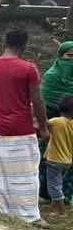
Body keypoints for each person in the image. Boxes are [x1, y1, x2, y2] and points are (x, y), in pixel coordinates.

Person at [0, 28, 51, 228]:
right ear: (24, 45)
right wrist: (43, 126)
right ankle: (30, 215)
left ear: (5, 42)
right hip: (21, 126)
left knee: (3, 171)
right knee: (26, 172)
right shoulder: (28, 68)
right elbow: (37, 101)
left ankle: (6, 209)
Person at [41, 41, 73, 204]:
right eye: (69, 56)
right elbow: (42, 102)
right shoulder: (51, 76)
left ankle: (65, 195)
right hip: (51, 122)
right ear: (60, 56)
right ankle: (47, 193)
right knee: (48, 159)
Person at [44, 96, 73, 214]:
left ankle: (61, 212)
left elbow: (42, 124)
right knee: (58, 184)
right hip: (67, 161)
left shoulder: (56, 122)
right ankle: (53, 208)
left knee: (54, 187)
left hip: (54, 160)